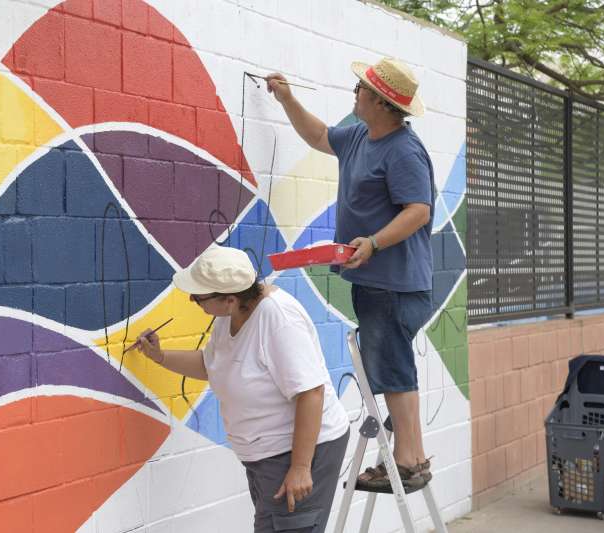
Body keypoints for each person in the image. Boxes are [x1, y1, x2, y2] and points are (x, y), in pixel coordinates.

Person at [266, 57, 435, 492]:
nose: (355, 93)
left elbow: (419, 211)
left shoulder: (403, 150)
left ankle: (409, 459)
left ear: (380, 102)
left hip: (394, 282)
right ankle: (409, 457)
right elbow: (320, 135)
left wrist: (374, 242)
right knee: (390, 365)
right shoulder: (361, 135)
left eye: (361, 89)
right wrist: (287, 100)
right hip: (375, 281)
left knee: (394, 368)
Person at [136, 246, 349, 532]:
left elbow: (310, 393)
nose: (192, 300)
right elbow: (213, 365)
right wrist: (159, 356)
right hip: (266, 456)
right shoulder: (229, 317)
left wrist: (300, 467)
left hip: (299, 452)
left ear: (230, 299)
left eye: (199, 297)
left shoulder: (277, 319)